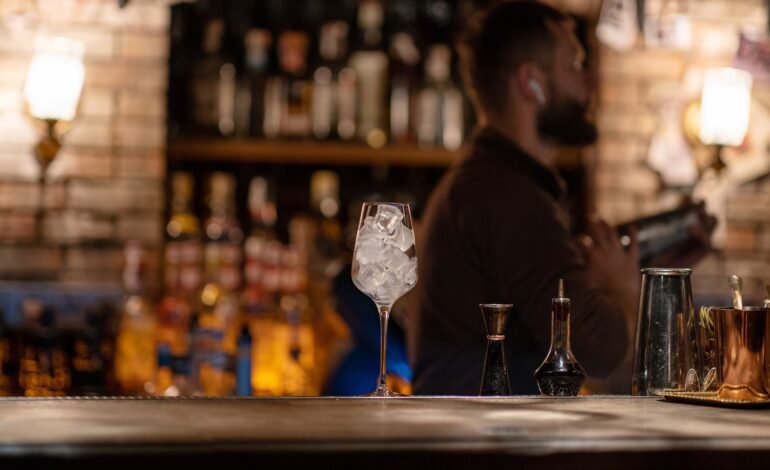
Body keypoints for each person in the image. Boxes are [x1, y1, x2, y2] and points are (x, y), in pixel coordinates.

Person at [412, 1, 653, 395]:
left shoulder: (489, 183)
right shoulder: (508, 197)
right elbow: (600, 353)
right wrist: (623, 288)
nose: (590, 84)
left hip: (473, 435)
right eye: (575, 66)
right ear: (530, 83)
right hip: (482, 445)